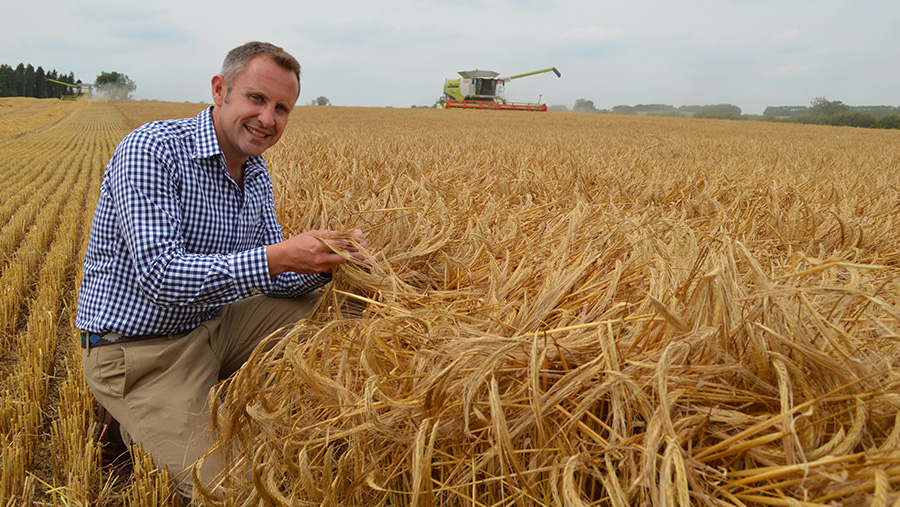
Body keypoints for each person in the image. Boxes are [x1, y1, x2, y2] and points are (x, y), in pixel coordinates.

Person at [75, 41, 367, 499]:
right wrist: (277, 256)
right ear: (219, 90)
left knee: (346, 311)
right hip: (141, 352)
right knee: (238, 493)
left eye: (281, 108)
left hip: (214, 323)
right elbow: (161, 276)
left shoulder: (254, 171)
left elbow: (275, 275)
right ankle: (120, 416)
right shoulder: (151, 150)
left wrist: (326, 263)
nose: (268, 119)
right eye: (256, 98)